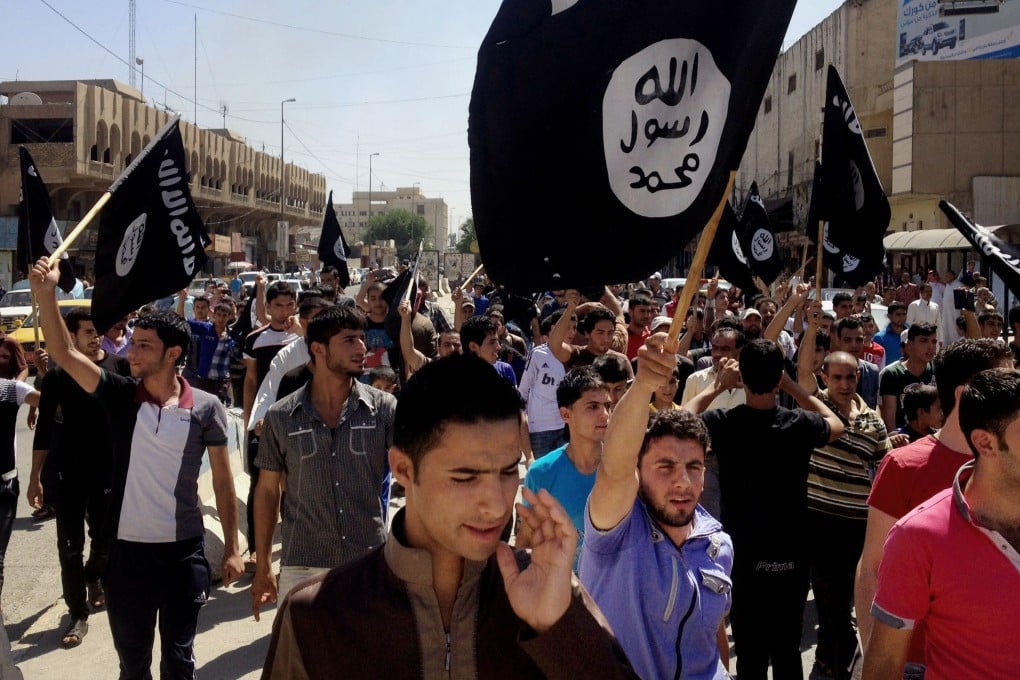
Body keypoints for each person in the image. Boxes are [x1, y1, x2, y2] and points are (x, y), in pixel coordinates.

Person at [261, 355, 637, 679]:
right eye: (465, 477)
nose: (494, 504)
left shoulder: (550, 592)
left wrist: (557, 629)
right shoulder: (318, 615)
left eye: (508, 472)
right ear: (404, 470)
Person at [29, 258, 243, 678]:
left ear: (173, 353)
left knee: (179, 660)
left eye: (144, 345)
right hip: (126, 559)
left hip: (184, 556)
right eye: (133, 342)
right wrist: (47, 293)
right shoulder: (119, 396)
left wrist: (233, 547)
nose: (130, 351)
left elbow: (221, 480)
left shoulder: (206, 408)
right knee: (134, 664)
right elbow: (63, 352)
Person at [580, 333, 733, 680]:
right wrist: (643, 386)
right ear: (638, 469)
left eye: (693, 467)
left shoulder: (719, 544)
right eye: (665, 467)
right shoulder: (616, 530)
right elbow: (615, 466)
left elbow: (711, 636)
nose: (682, 481)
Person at [854, 338, 1014, 669]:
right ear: (964, 395)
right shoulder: (903, 466)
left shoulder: (1011, 470)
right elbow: (872, 566)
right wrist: (877, 654)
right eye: (1001, 381)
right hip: (913, 662)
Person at [692, 339, 844, 680]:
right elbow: (836, 423)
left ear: (742, 379)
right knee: (788, 651)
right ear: (777, 379)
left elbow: (681, 418)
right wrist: (792, 386)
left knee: (749, 653)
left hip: (742, 557)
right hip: (791, 553)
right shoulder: (798, 423)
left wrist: (717, 386)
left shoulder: (723, 422)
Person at [252, 306, 397, 615]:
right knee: (304, 661)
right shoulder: (281, 416)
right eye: (349, 340)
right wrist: (263, 564)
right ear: (317, 348)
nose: (361, 348)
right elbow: (266, 492)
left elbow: (416, 476)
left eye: (361, 338)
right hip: (302, 565)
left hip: (368, 562)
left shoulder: (384, 409)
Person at [27, 308, 131, 648]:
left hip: (108, 471)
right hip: (66, 472)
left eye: (97, 330)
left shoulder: (120, 368)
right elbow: (43, 430)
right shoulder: (57, 377)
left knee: (105, 541)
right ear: (71, 336)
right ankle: (77, 614)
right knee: (69, 548)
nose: (95, 337)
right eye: (87, 332)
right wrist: (34, 477)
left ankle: (93, 576)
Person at [796, 344, 891, 680]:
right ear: (825, 377)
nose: (844, 383)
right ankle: (846, 659)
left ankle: (827, 661)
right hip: (820, 520)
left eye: (850, 376)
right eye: (836, 377)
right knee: (830, 600)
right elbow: (801, 373)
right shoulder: (814, 410)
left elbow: (883, 467)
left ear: (859, 376)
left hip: (859, 524)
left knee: (848, 599)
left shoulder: (873, 421)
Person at [519, 367, 610, 566]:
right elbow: (526, 540)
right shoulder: (541, 474)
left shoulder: (623, 468)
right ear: (565, 414)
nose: (604, 414)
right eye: (593, 407)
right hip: (563, 590)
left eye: (607, 405)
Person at [242, 280, 299, 567]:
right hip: (264, 422)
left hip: (298, 419)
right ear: (268, 307)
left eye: (290, 304)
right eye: (279, 305)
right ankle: (255, 547)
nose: (285, 310)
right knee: (260, 484)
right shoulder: (255, 339)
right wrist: (249, 415)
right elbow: (251, 379)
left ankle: (292, 540)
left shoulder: (303, 338)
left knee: (296, 484)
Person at [518, 311, 569, 458]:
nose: (570, 331)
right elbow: (523, 390)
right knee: (543, 476)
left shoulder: (574, 354)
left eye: (573, 327)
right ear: (553, 328)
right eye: (565, 327)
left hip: (566, 427)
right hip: (540, 429)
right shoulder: (537, 354)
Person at [177, 292, 235, 405]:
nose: (221, 318)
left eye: (224, 315)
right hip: (198, 377)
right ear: (214, 315)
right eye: (219, 315)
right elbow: (181, 321)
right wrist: (182, 299)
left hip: (221, 381)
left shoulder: (231, 335)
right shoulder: (205, 329)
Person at [878, 323, 937, 431]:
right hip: (903, 438)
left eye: (934, 342)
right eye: (924, 341)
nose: (930, 347)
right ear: (909, 345)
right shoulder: (892, 374)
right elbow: (889, 420)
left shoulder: (937, 369)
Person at [461, 316, 517, 385]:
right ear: (473, 347)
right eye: (492, 342)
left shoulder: (505, 371)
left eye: (498, 341)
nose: (498, 347)